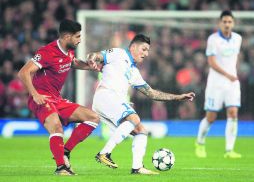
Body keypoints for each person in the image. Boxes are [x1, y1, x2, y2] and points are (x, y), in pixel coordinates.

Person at [87, 34, 195, 175]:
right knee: (134, 118)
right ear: (133, 47)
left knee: (141, 130)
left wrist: (178, 97)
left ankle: (137, 167)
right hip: (106, 95)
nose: (146, 54)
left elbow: (152, 93)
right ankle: (104, 153)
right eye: (144, 49)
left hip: (111, 101)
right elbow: (96, 55)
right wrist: (92, 58)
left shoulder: (134, 72)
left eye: (148, 51)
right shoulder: (118, 53)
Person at [18, 19, 100, 175]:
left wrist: (89, 66)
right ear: (67, 36)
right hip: (42, 98)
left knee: (93, 117)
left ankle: (65, 151)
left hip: (57, 99)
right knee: (56, 127)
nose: (79, 39)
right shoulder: (47, 52)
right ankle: (61, 167)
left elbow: (72, 62)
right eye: (77, 36)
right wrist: (34, 94)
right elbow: (23, 72)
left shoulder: (69, 51)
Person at [195, 10, 242, 159]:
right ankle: (200, 142)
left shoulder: (238, 39)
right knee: (211, 117)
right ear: (220, 23)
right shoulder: (213, 39)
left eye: (229, 22)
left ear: (233, 23)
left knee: (233, 113)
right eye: (224, 22)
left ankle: (229, 150)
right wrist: (228, 74)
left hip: (232, 83)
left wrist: (233, 74)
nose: (227, 24)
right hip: (216, 83)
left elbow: (234, 59)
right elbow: (211, 62)